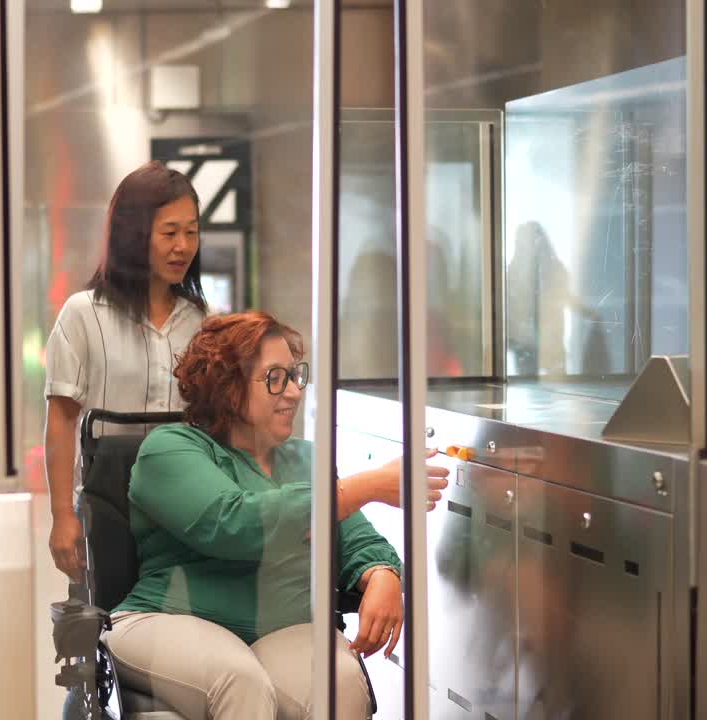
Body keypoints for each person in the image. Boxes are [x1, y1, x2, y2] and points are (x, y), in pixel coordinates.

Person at [105, 311, 450, 720]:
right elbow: (232, 524)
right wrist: (366, 486)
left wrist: (382, 575)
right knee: (239, 680)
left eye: (295, 375)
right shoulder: (169, 448)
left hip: (279, 631)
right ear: (227, 386)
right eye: (275, 378)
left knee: (338, 685)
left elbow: (356, 539)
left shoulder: (305, 459)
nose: (294, 392)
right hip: (168, 620)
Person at [44, 161, 208, 581]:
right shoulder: (83, 314)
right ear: (133, 235)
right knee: (108, 615)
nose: (183, 246)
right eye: (169, 233)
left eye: (191, 232)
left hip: (186, 512)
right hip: (106, 512)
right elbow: (62, 419)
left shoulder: (200, 322)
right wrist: (62, 516)